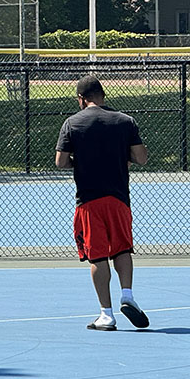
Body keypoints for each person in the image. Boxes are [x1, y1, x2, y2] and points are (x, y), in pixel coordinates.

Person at [55, 75, 151, 331]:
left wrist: (83, 162)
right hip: (119, 198)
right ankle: (128, 295)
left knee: (97, 256)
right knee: (122, 249)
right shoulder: (124, 121)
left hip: (89, 200)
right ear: (103, 96)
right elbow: (141, 157)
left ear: (81, 99)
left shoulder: (72, 123)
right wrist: (121, 159)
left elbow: (61, 161)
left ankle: (106, 315)